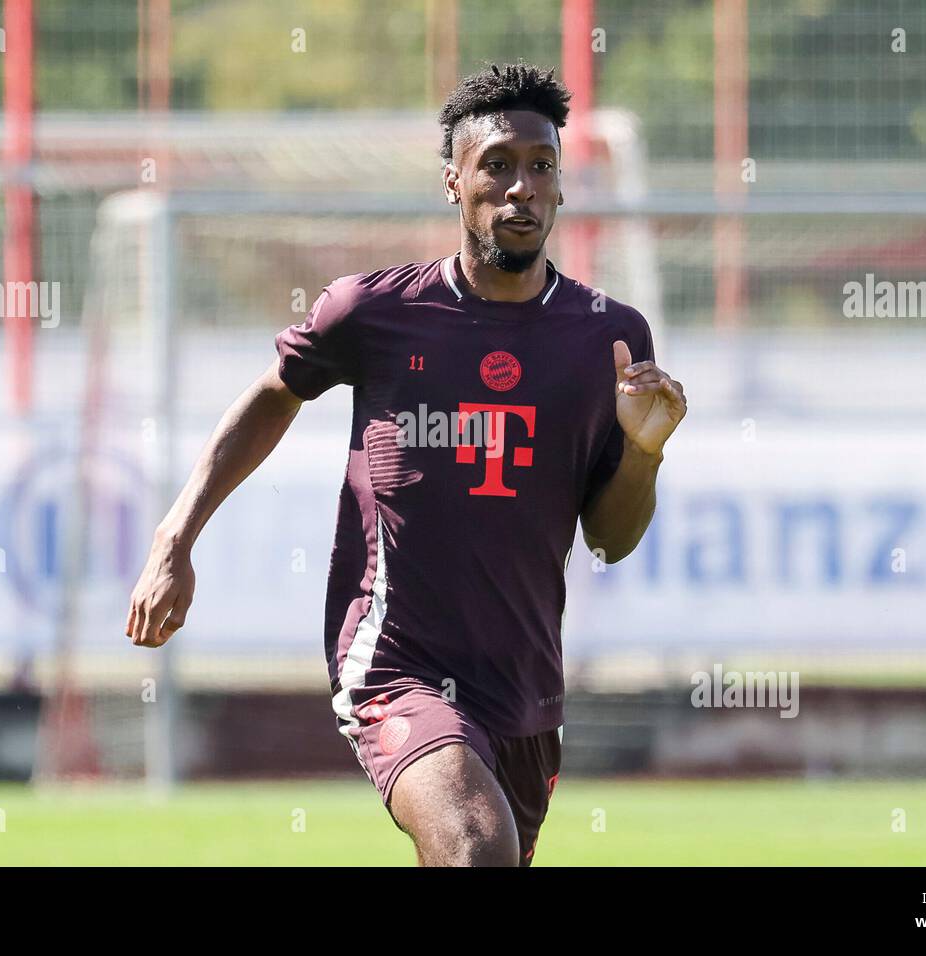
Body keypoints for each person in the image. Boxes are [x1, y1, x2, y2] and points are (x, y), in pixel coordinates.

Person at [125, 60, 687, 866]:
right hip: (395, 659)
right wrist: (173, 541)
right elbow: (273, 396)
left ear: (562, 190)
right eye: (497, 165)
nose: (521, 187)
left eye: (541, 167)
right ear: (453, 183)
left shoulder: (609, 338)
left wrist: (642, 452)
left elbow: (612, 537)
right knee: (473, 846)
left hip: (526, 683)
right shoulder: (374, 312)